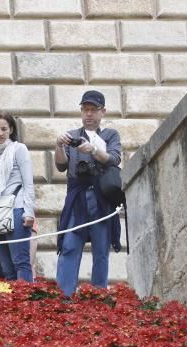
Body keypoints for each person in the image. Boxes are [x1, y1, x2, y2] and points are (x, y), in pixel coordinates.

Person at [54, 90, 122, 297]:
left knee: (101, 250)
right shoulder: (73, 136)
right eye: (85, 110)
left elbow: (114, 159)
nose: (89, 114)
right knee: (69, 246)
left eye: (93, 110)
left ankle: (98, 297)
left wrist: (93, 150)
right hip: (77, 198)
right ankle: (64, 297)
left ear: (103, 112)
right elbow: (60, 166)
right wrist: (58, 145)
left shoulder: (110, 135)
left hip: (101, 199)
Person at [0, 111, 36, 282]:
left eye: (4, 129)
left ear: (11, 129)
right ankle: (12, 307)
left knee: (21, 262)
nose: (0, 133)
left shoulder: (19, 149)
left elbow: (28, 183)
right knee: (6, 267)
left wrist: (29, 212)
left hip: (16, 210)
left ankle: (26, 305)